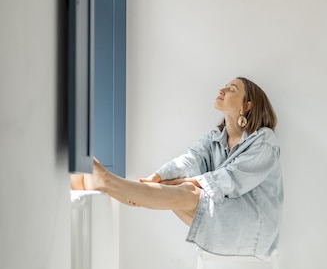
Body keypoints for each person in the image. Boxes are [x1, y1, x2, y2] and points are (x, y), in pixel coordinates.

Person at [72, 77, 283, 259]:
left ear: (247, 106)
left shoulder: (264, 140)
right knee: (175, 189)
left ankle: (108, 182)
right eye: (225, 86)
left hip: (255, 230)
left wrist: (175, 184)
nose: (222, 90)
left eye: (232, 89)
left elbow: (231, 179)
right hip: (222, 220)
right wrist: (157, 178)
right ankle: (109, 185)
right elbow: (189, 160)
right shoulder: (214, 139)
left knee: (188, 191)